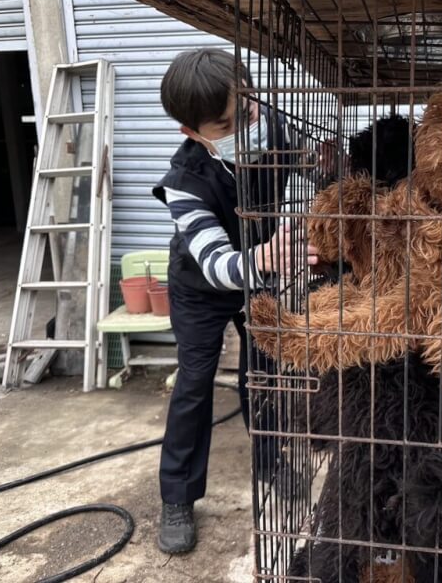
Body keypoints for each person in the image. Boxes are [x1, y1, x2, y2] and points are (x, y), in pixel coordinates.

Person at [152, 48, 319, 554]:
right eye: (226, 125)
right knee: (195, 382)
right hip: (202, 286)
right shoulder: (185, 183)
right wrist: (266, 257)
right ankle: (177, 497)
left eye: (246, 109)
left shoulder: (272, 125)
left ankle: (270, 460)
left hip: (262, 269)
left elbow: (311, 163)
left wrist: (325, 162)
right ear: (194, 134)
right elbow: (218, 263)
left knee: (264, 369)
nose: (247, 125)